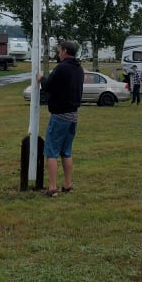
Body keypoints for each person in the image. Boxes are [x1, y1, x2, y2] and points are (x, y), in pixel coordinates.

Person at [37, 40, 84, 197]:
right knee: (66, 152)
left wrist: (41, 79)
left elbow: (49, 85)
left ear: (64, 51)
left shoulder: (61, 68)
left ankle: (52, 188)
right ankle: (67, 184)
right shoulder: (79, 69)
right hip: (73, 115)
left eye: (58, 51)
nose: (58, 54)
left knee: (51, 151)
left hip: (59, 116)